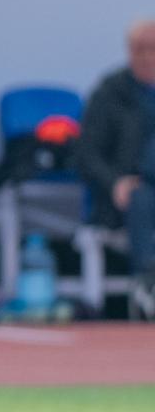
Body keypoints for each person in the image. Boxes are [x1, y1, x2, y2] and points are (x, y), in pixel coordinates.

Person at [80, 20, 155, 320]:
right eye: (140, 49)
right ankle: (147, 282)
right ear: (129, 52)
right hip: (126, 195)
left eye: (154, 49)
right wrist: (115, 182)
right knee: (141, 197)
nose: (148, 57)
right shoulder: (110, 93)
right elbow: (87, 154)